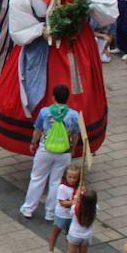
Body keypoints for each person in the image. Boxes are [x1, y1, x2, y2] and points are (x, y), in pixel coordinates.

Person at [0, 0, 118, 155]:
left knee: (76, 94)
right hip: (42, 42)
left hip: (74, 43)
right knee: (35, 91)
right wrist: (40, 30)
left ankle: (69, 146)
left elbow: (106, 5)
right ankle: (41, 145)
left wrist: (84, 9)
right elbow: (18, 7)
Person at [20, 85, 81, 221]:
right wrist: (73, 148)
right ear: (68, 98)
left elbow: (37, 131)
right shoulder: (74, 115)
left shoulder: (44, 112)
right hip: (64, 152)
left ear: (53, 97)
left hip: (45, 150)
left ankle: (28, 209)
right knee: (56, 182)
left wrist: (33, 143)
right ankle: (50, 213)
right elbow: (76, 135)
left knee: (37, 178)